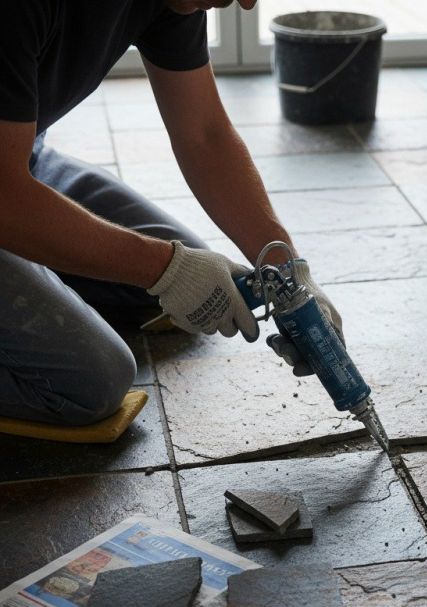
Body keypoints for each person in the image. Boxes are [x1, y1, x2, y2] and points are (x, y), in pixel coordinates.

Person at [0, 0, 342, 427]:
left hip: (20, 159)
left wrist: (285, 268)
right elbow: (6, 197)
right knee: (92, 383)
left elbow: (204, 134)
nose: (246, 3)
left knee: (199, 285)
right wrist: (165, 268)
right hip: (6, 186)